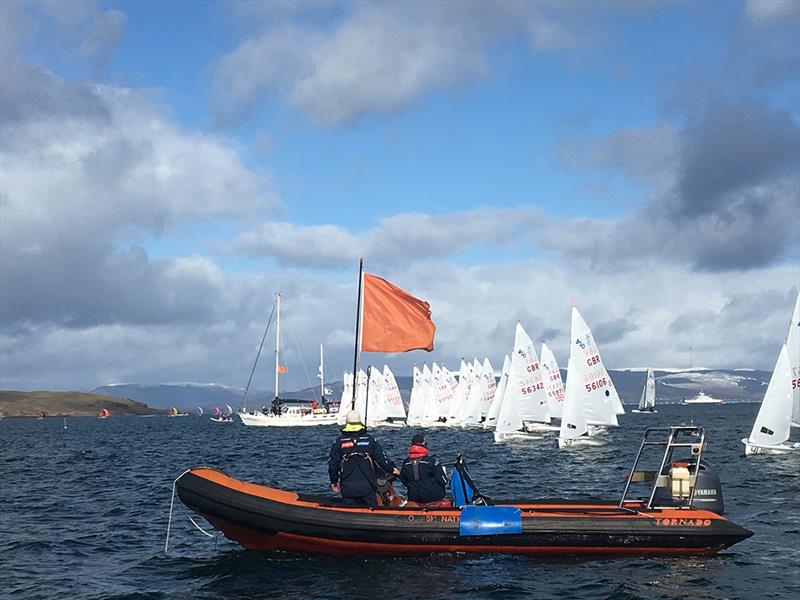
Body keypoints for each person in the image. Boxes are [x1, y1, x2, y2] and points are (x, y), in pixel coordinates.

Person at [328, 410, 399, 507]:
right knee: (372, 510)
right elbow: (382, 461)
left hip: (348, 487)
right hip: (368, 486)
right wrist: (392, 469)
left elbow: (333, 465)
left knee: (350, 512)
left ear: (347, 423)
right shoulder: (370, 440)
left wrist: (334, 481)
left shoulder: (338, 442)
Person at [399, 433, 449, 505]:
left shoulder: (405, 463)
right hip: (433, 496)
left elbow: (404, 481)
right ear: (424, 444)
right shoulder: (432, 462)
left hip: (414, 497)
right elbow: (443, 481)